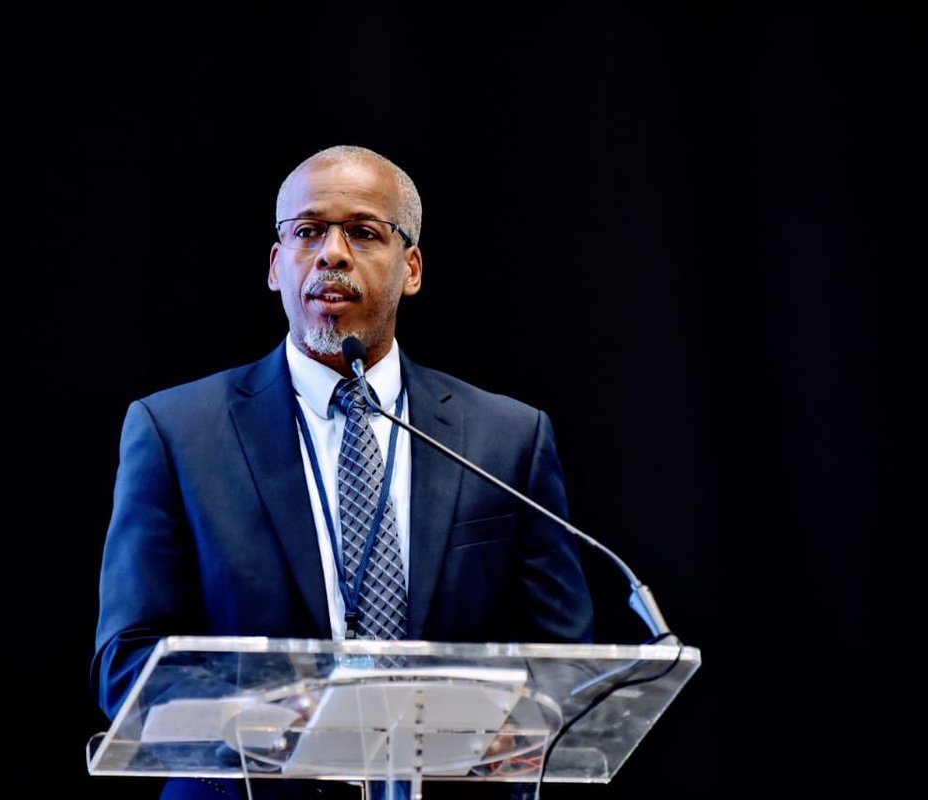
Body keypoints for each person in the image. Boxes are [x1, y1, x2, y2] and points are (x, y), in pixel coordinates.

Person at [91, 145, 594, 800]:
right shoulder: (175, 433)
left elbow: (562, 666)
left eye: (363, 232)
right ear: (276, 266)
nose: (331, 253)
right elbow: (128, 665)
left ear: (411, 268)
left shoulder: (506, 438)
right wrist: (283, 720)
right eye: (307, 232)